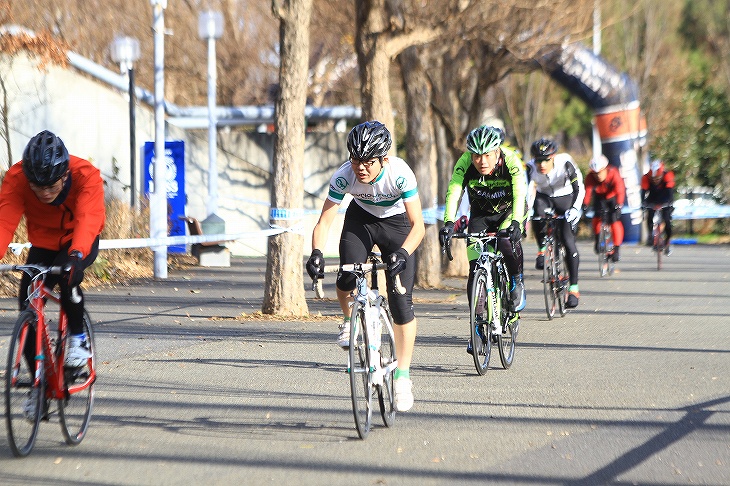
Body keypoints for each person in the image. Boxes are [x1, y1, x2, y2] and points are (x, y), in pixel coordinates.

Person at [306, 121, 425, 412]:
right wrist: (316, 252)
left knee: (401, 303)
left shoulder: (400, 174)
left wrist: (404, 253)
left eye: (368, 162)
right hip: (362, 221)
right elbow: (325, 221)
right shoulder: (344, 176)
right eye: (355, 160)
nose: (360, 168)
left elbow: (418, 226)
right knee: (347, 275)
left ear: (383, 159)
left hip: (397, 225)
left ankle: (403, 376)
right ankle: (349, 321)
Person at [0, 130, 105, 368]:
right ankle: (40, 387)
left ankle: (78, 340)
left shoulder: (85, 175)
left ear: (65, 174)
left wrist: (77, 255)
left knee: (67, 277)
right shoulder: (17, 178)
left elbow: (88, 217)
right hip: (43, 243)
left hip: (78, 238)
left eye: (51, 185)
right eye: (37, 186)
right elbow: (3, 222)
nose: (45, 192)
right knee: (27, 306)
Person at [439, 125, 527, 352]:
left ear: (497, 151)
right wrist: (449, 223)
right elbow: (454, 192)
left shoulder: (511, 162)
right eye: (477, 155)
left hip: (510, 211)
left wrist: (517, 222)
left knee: (507, 242)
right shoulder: (465, 163)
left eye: (487, 155)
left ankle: (516, 281)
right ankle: (478, 327)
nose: (482, 161)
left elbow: (519, 194)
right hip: (481, 215)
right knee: (475, 267)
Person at [526, 138, 585, 309]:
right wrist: (526, 211)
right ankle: (542, 248)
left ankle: (573, 288)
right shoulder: (530, 167)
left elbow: (579, 187)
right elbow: (526, 190)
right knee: (537, 214)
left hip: (565, 198)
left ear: (554, 157)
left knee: (568, 241)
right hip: (544, 198)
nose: (542, 164)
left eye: (546, 160)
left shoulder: (565, 162)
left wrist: (575, 208)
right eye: (538, 160)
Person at [582, 154, 625, 262]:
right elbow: (587, 192)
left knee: (614, 221)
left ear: (605, 169)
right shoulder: (590, 177)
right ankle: (597, 240)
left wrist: (619, 205)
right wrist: (585, 204)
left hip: (612, 198)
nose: (598, 176)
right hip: (599, 198)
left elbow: (620, 189)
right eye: (595, 173)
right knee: (597, 217)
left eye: (600, 172)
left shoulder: (613, 173)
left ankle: (617, 248)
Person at [641, 159, 675, 254]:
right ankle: (650, 236)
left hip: (665, 198)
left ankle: (667, 240)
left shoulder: (668, 175)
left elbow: (670, 192)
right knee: (649, 216)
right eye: (653, 179)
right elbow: (643, 192)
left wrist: (670, 204)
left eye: (658, 178)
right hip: (652, 198)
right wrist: (643, 204)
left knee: (667, 220)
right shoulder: (646, 177)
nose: (655, 181)